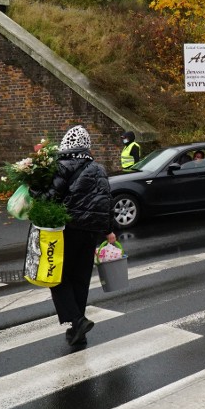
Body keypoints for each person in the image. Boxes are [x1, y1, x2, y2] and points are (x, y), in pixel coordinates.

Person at [39, 125, 116, 347]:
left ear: (66, 144)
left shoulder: (61, 166)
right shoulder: (98, 168)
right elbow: (107, 201)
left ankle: (77, 320)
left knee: (58, 277)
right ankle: (77, 328)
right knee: (80, 278)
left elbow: (49, 197)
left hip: (67, 230)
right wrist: (109, 229)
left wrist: (34, 190)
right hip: (91, 232)